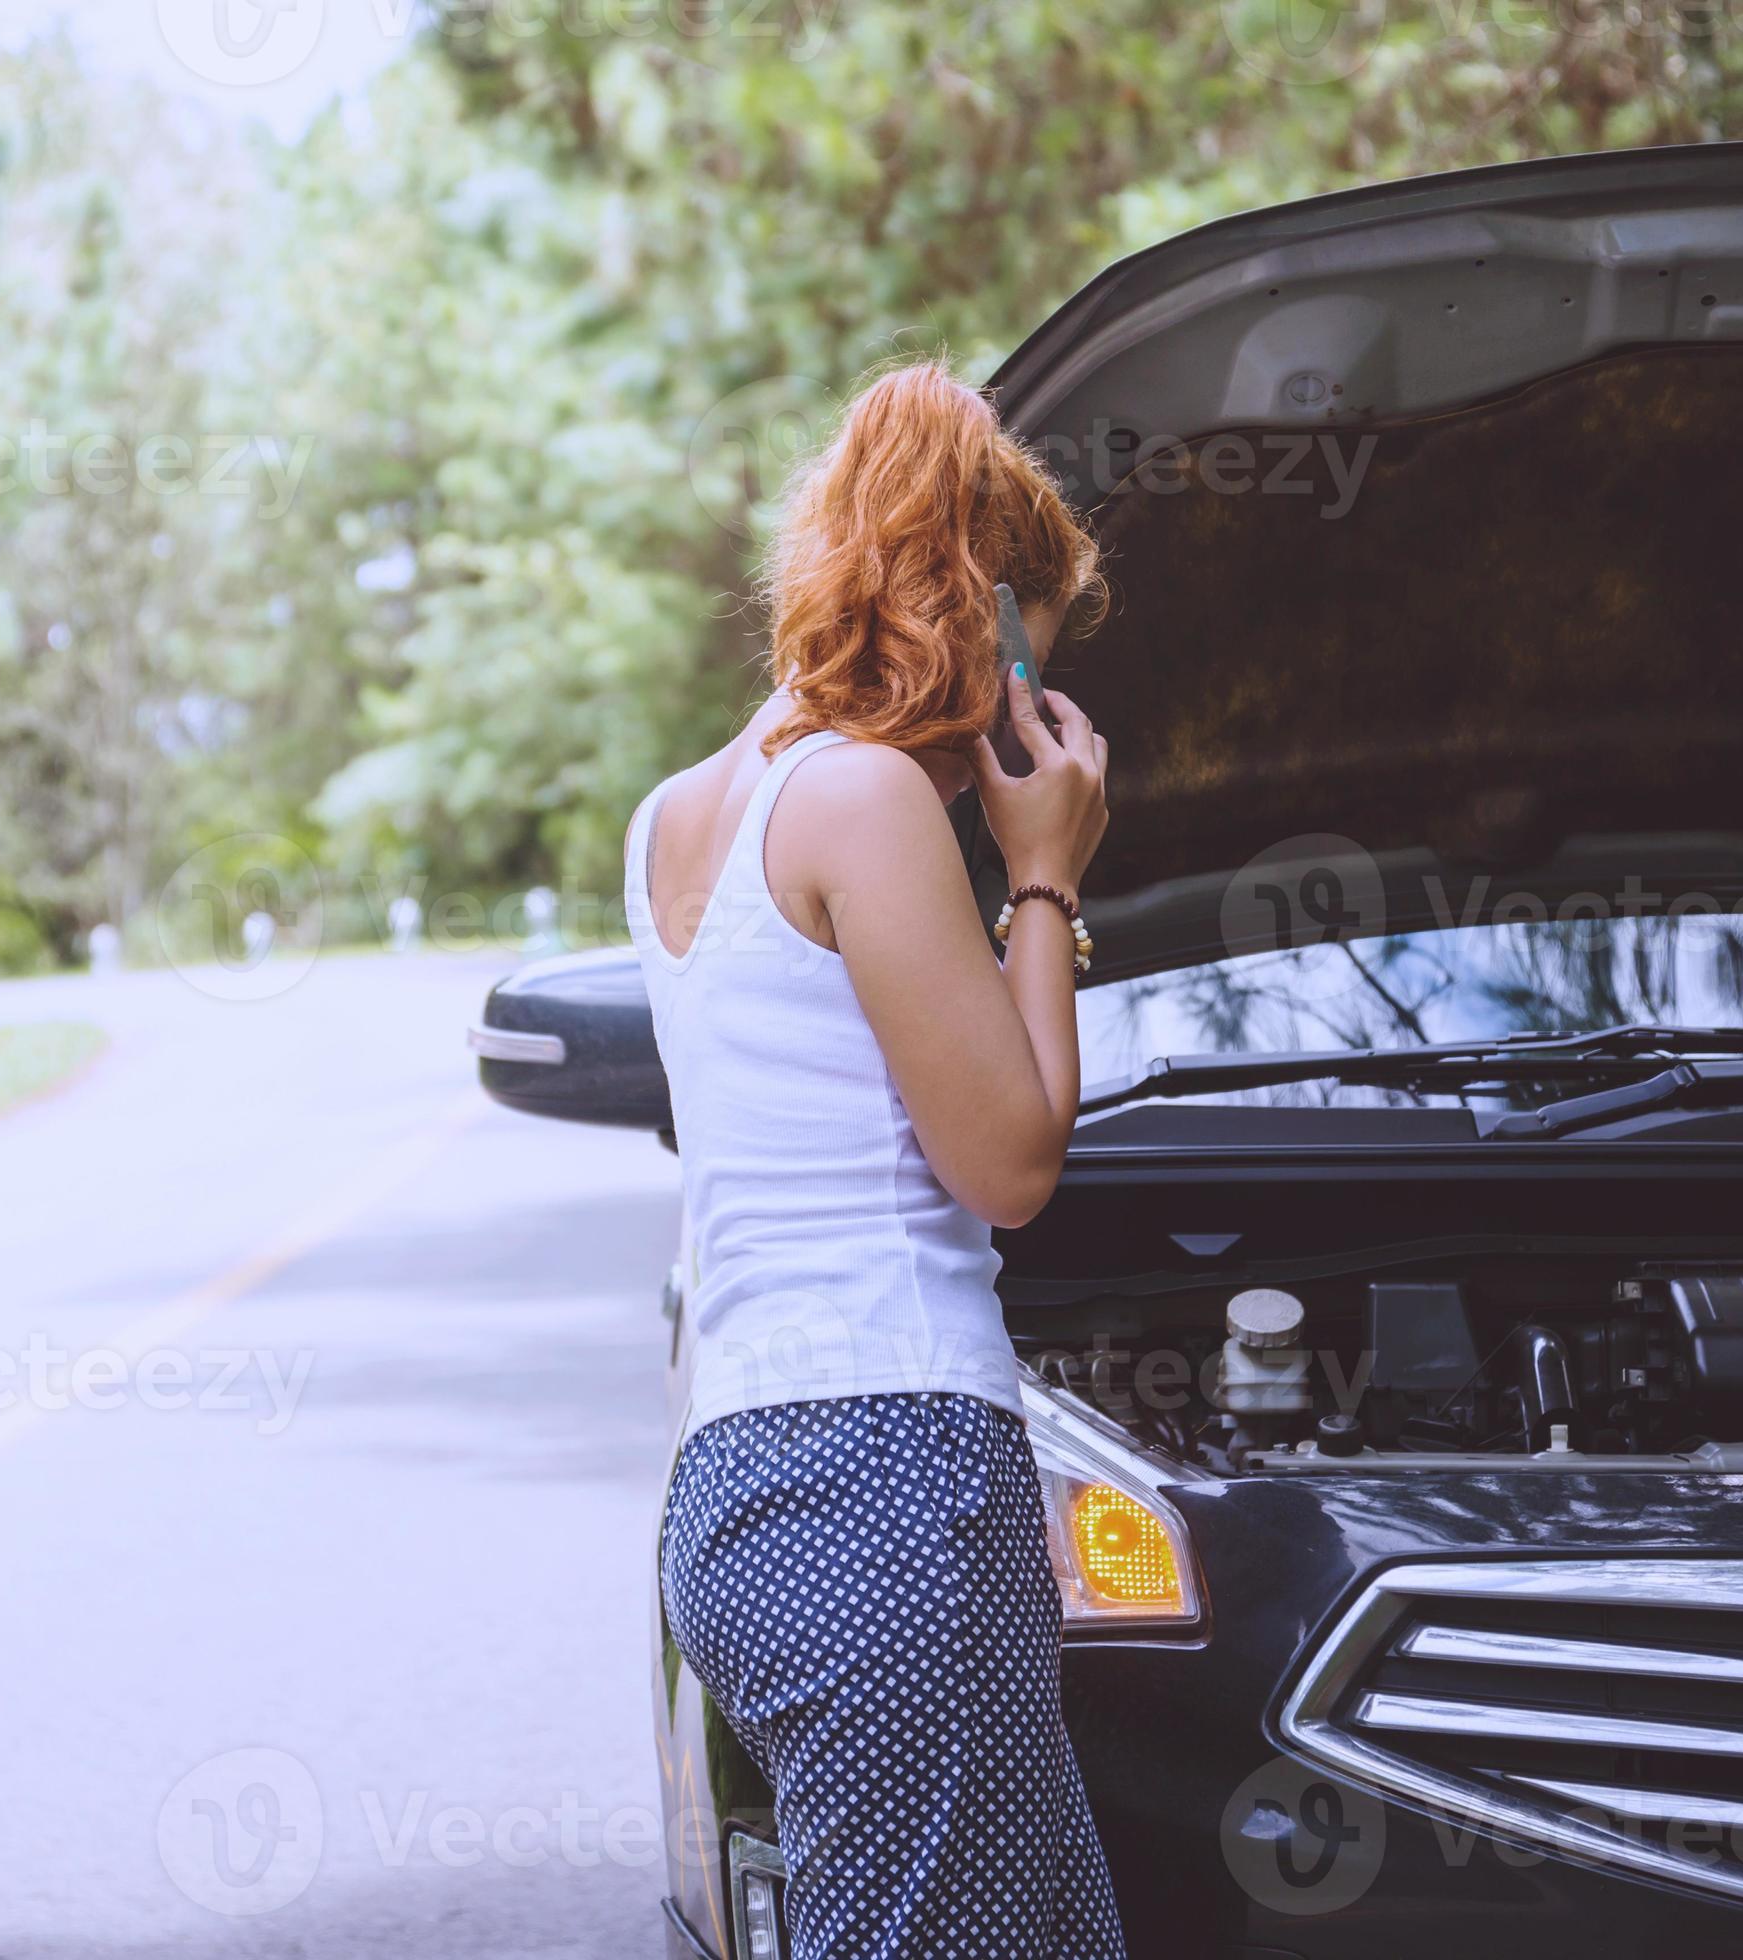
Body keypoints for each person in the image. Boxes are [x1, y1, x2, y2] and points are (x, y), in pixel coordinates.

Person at [627, 358, 1122, 1959]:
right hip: (889, 1485)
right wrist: (1043, 875)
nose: (1016, 687)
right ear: (976, 605)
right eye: (1023, 636)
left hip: (738, 1487)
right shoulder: (862, 803)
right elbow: (1011, 1160)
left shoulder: (675, 818)